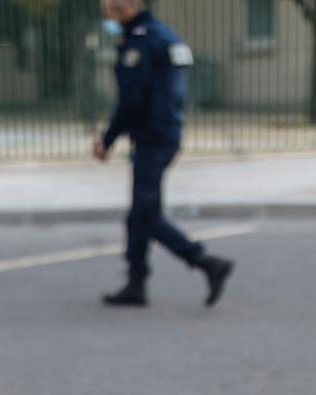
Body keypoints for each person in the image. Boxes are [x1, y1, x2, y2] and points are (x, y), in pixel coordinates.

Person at [94, 0, 234, 308]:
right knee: (139, 214)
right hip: (166, 134)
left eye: (109, 11)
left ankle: (205, 262)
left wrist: (107, 139)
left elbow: (131, 101)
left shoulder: (141, 42)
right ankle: (136, 282)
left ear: (126, 8)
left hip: (151, 138)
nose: (106, 17)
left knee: (146, 215)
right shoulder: (165, 35)